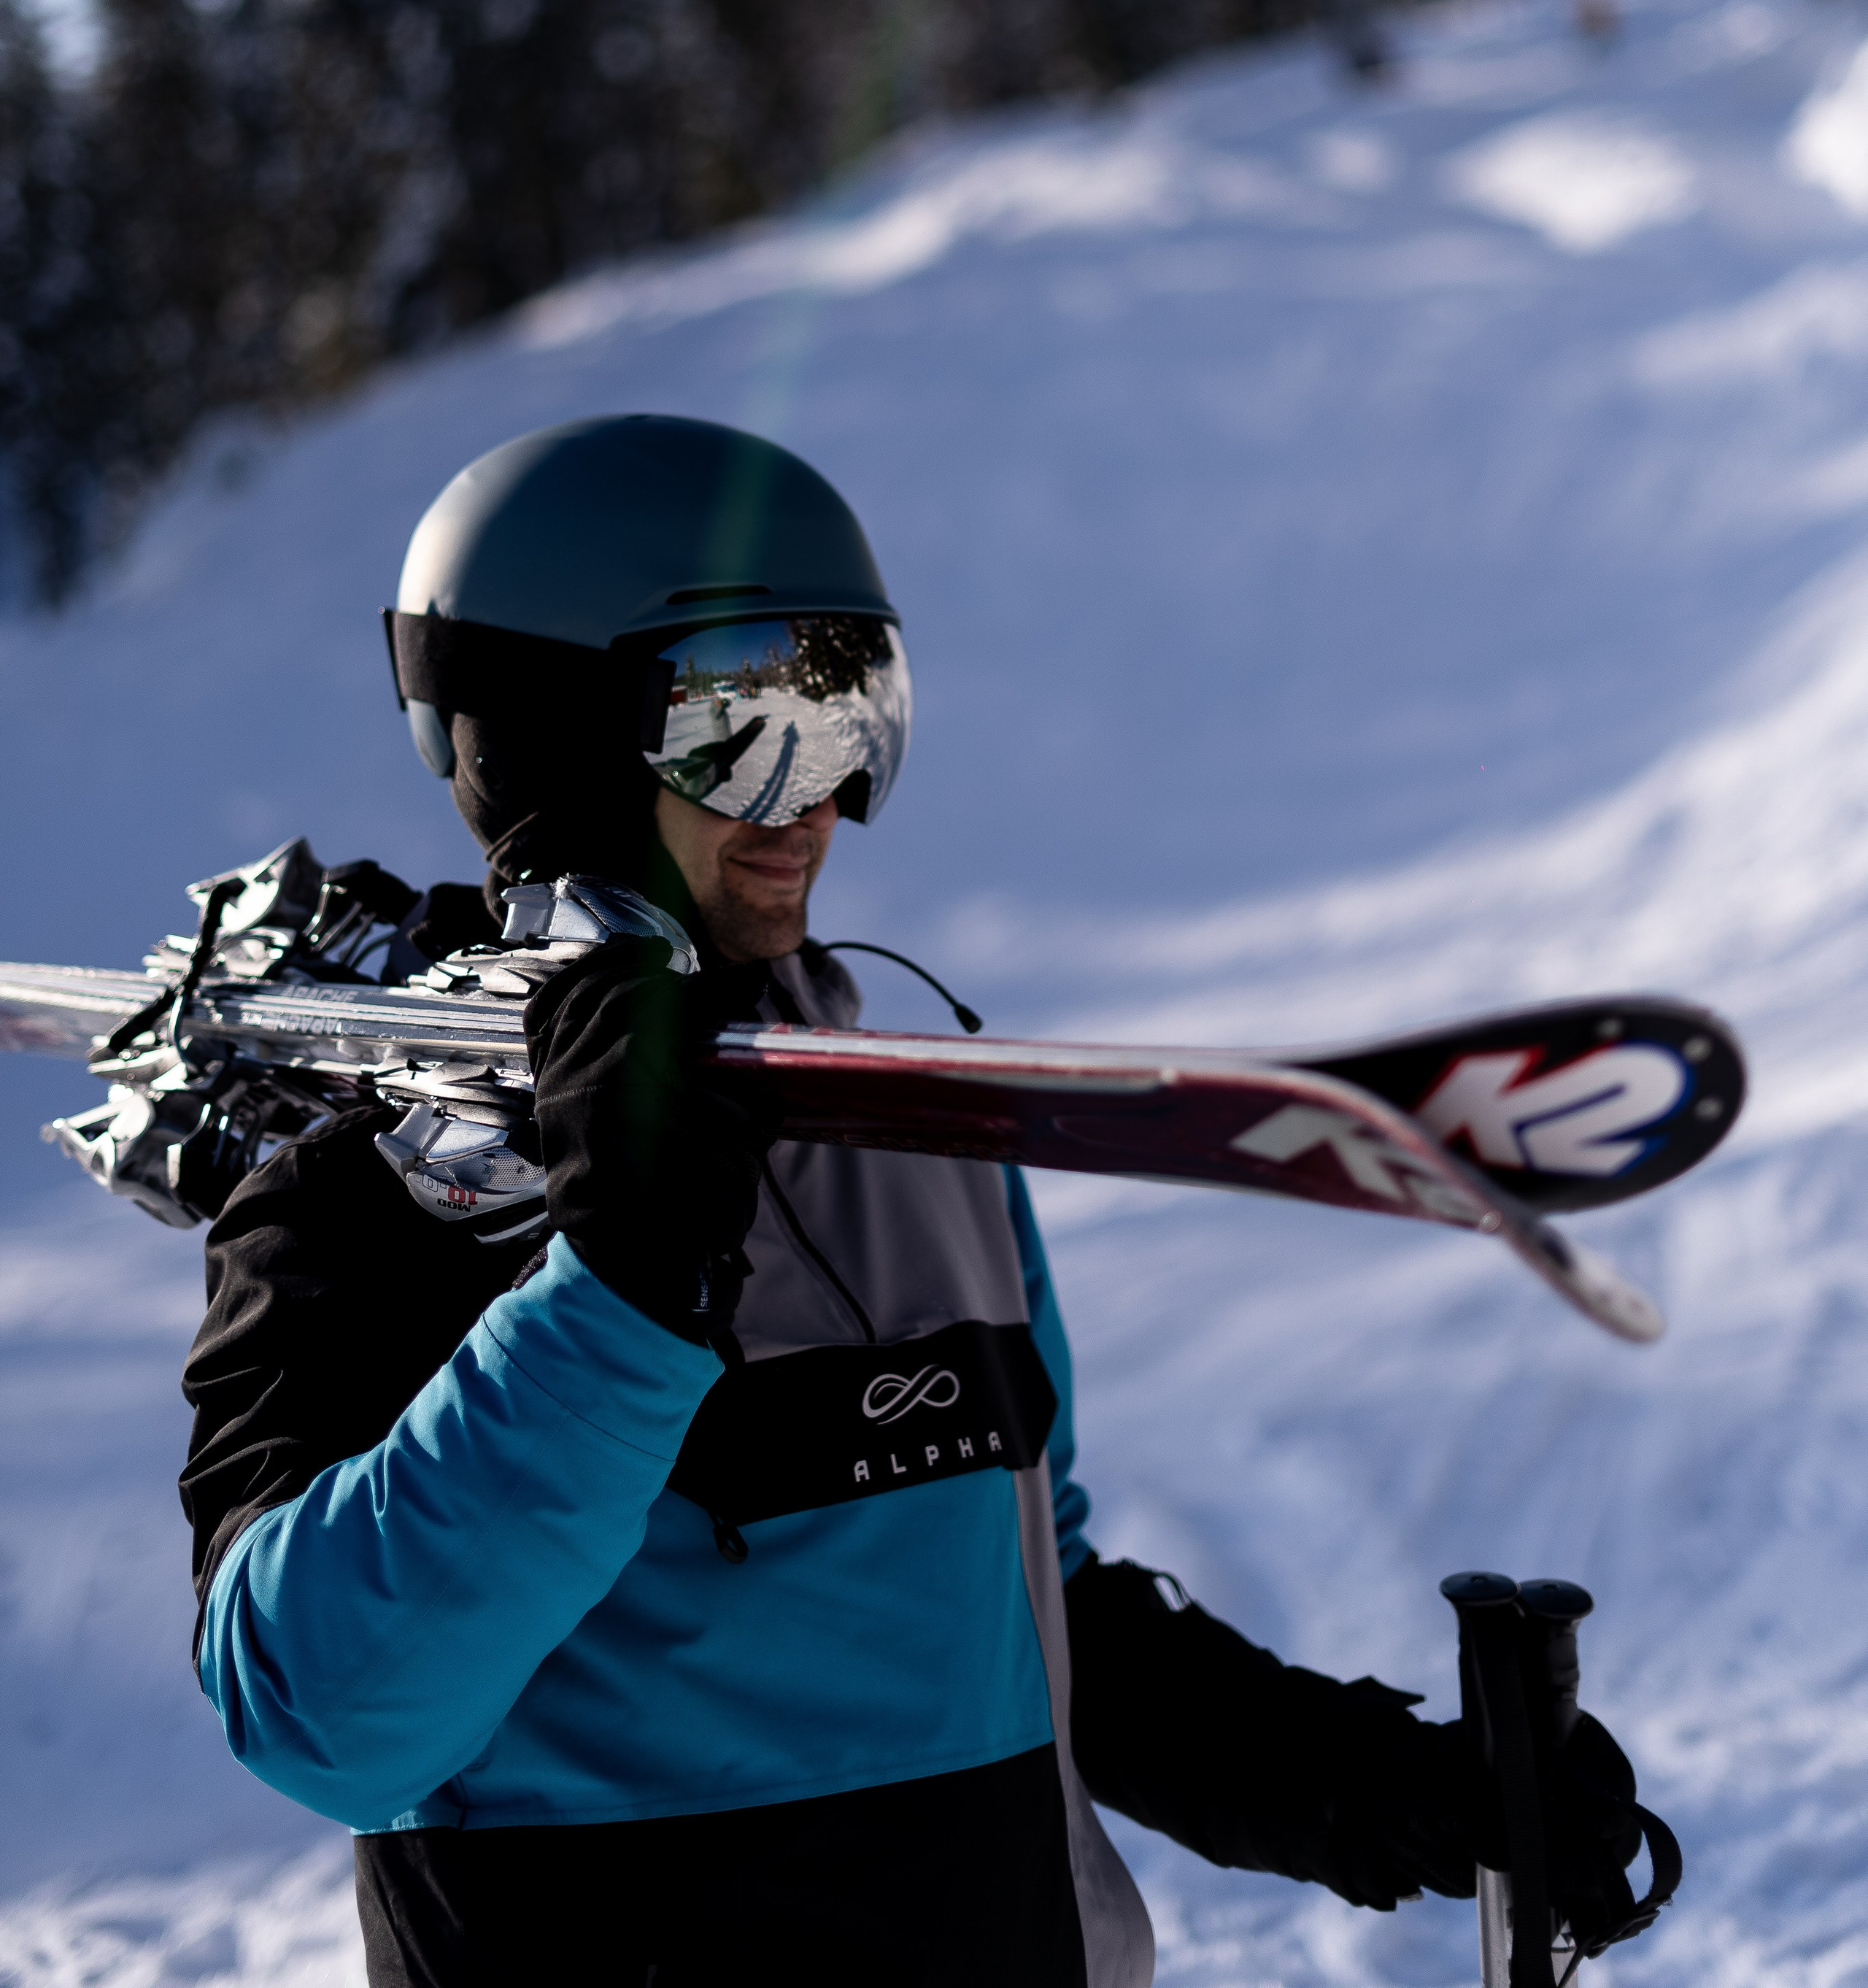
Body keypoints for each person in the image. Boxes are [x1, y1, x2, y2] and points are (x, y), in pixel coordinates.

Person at [178, 413, 1645, 1987]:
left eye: (852, 711)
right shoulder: (358, 1197)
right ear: (553, 738)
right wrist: (613, 1297)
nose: (819, 801)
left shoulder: (916, 1131)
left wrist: (1383, 1796)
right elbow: (319, 1717)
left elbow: (1031, 1611)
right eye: (751, 725)